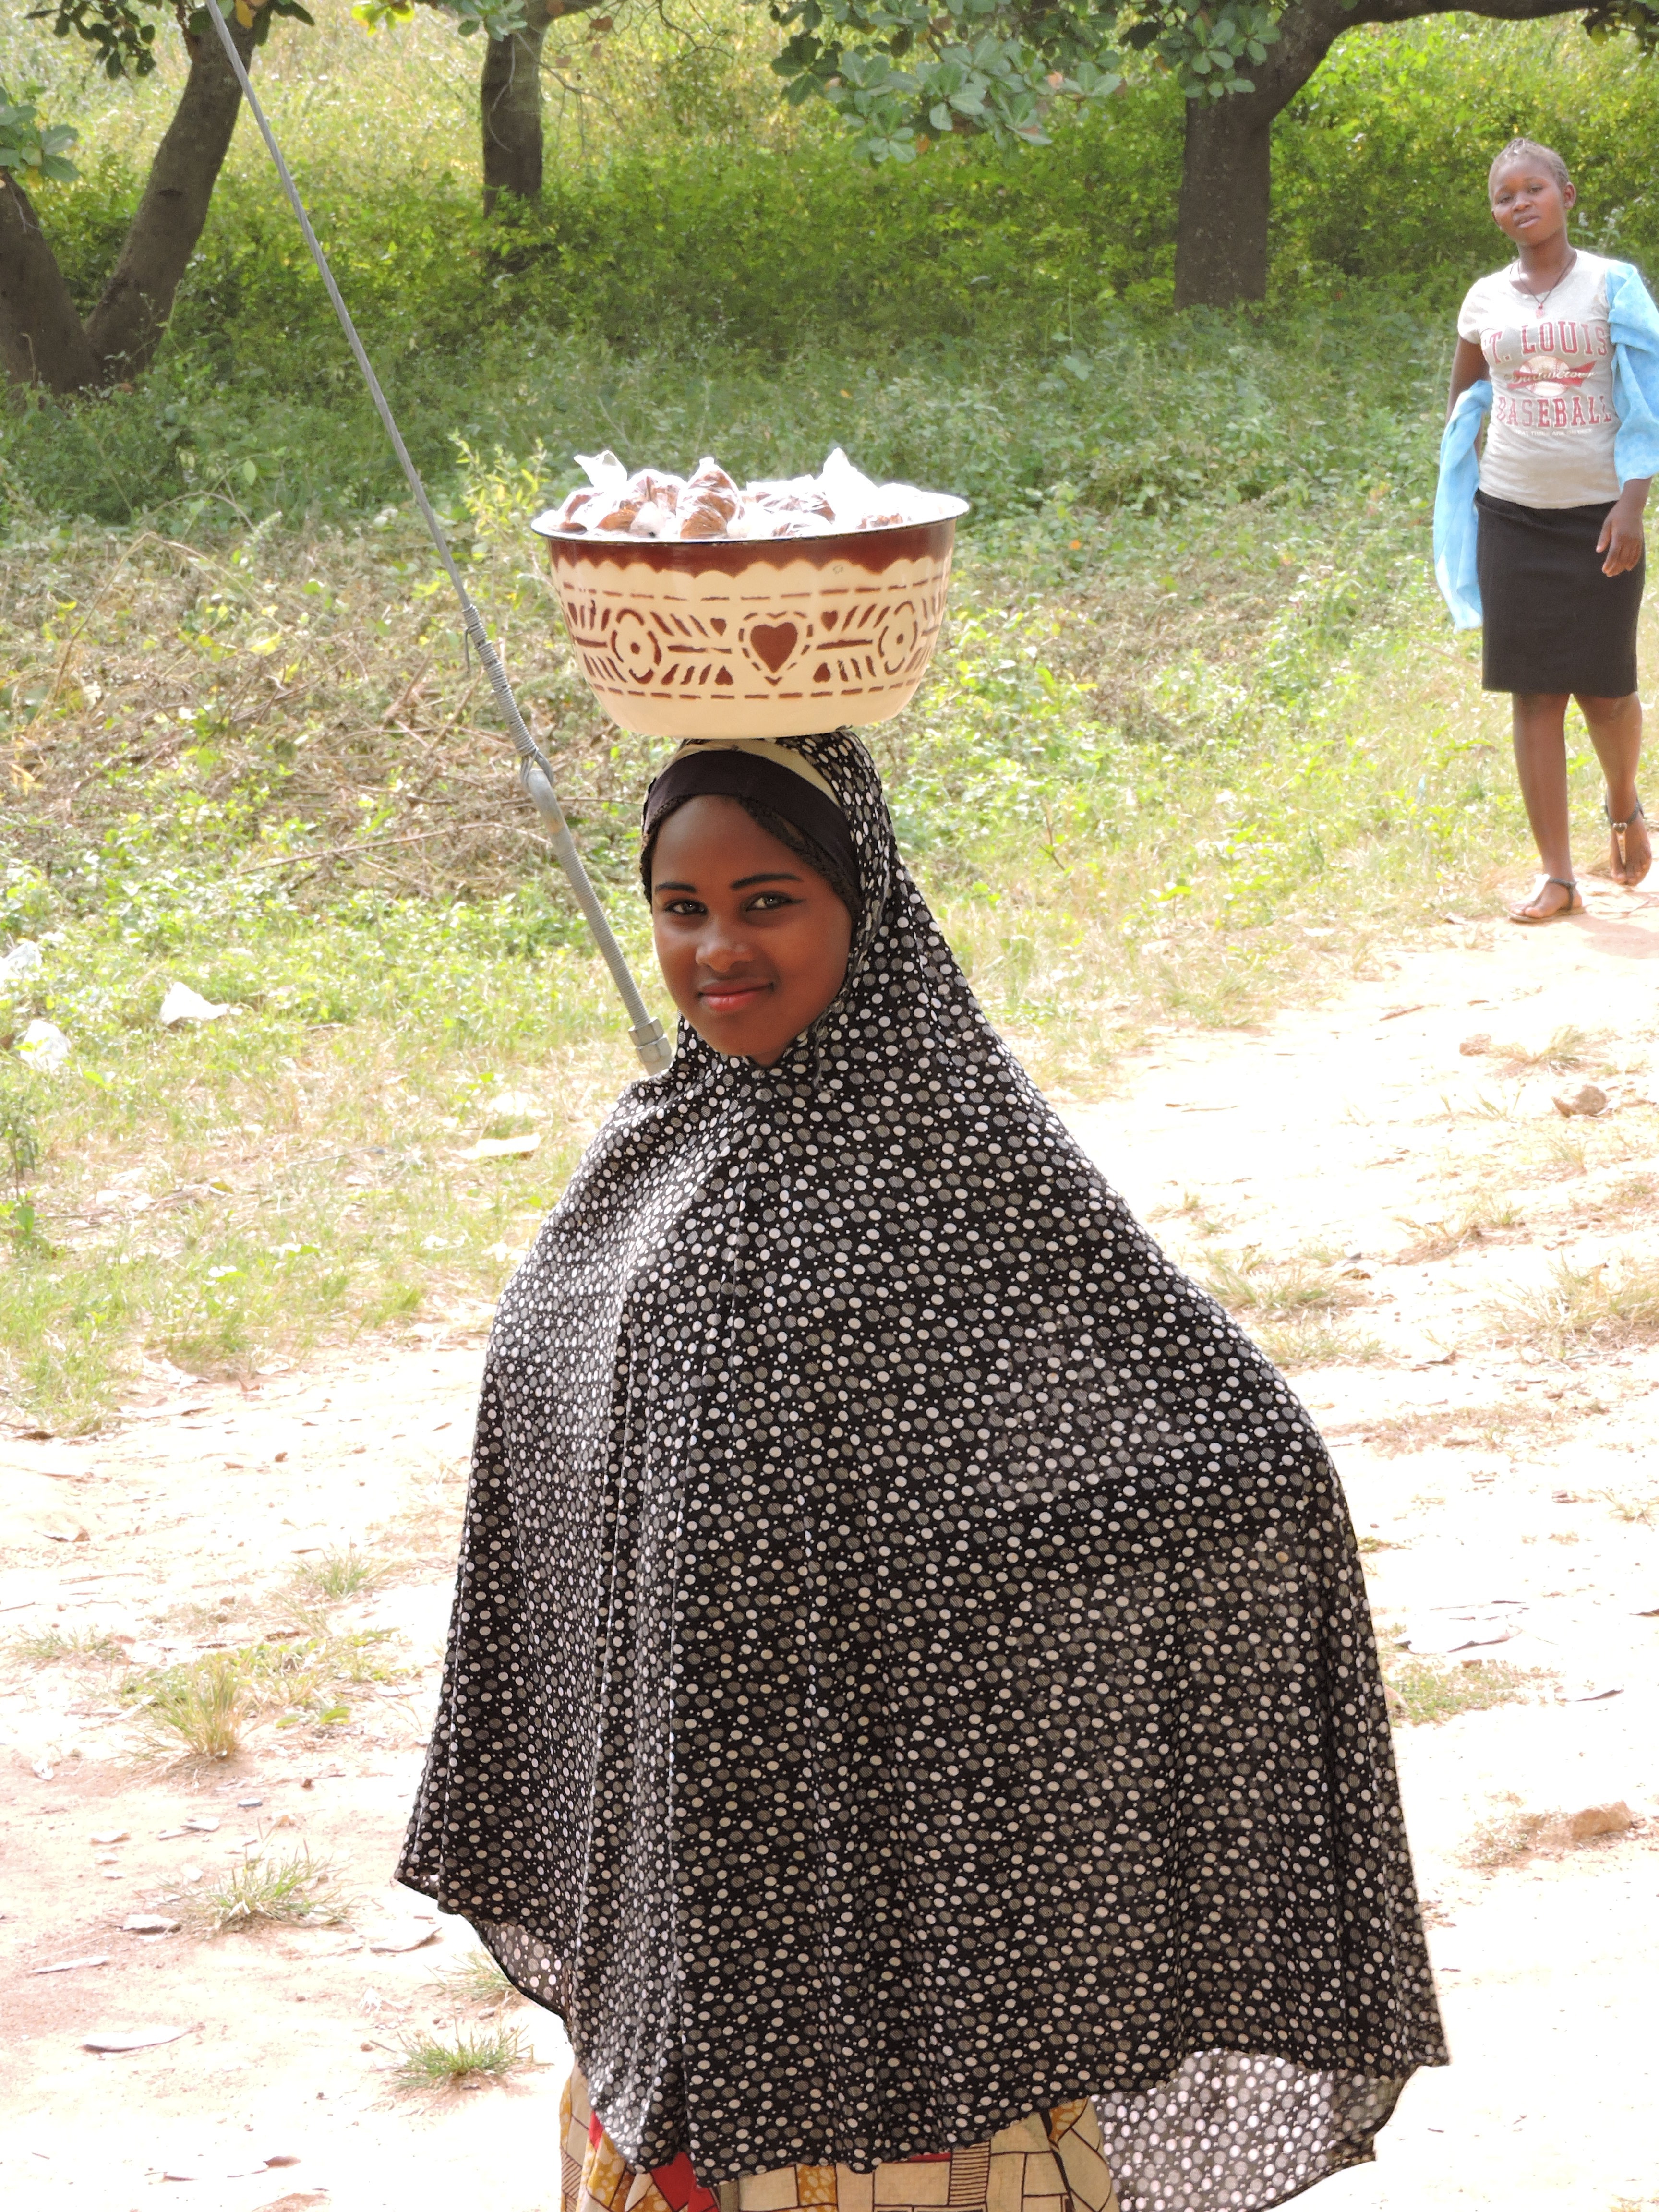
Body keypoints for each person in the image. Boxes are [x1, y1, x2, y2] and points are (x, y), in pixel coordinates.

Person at [398, 732, 1446, 2212]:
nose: (717, 950)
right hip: (704, 1856)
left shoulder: (956, 1149)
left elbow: (1225, 1443)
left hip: (926, 1917)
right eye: (681, 908)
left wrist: (980, 1602)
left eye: (768, 902)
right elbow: (556, 1447)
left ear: (867, 905)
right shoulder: (653, 1149)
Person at [1443, 137, 1657, 921]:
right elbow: (1464, 403)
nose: (1520, 203)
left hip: (1601, 516)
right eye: (1505, 196)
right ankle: (1558, 877)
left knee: (1606, 693)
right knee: (1532, 695)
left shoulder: (1612, 284)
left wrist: (1632, 503)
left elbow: (1649, 398)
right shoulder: (1483, 300)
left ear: (1566, 195)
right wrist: (1469, 492)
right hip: (1510, 514)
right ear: (1496, 214)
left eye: (1533, 188)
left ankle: (1624, 803)